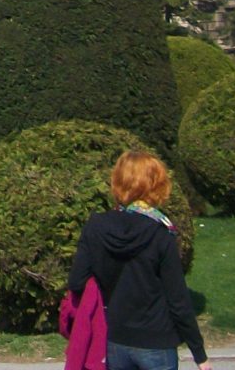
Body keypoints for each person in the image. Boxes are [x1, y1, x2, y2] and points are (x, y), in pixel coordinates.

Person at [67, 150, 211, 370]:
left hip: (116, 339)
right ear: (157, 185)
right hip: (156, 340)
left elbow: (77, 281)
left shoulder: (96, 226)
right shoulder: (161, 233)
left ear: (117, 182)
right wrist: (199, 355)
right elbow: (178, 300)